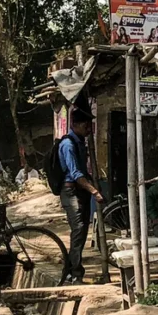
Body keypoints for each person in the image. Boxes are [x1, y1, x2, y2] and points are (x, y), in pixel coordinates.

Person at [58, 110, 105, 284]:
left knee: (82, 231)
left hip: (80, 191)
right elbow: (76, 173)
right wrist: (94, 191)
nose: (89, 129)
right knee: (78, 230)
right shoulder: (68, 145)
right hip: (71, 192)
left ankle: (71, 271)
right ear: (75, 125)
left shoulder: (80, 143)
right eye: (86, 125)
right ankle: (75, 273)